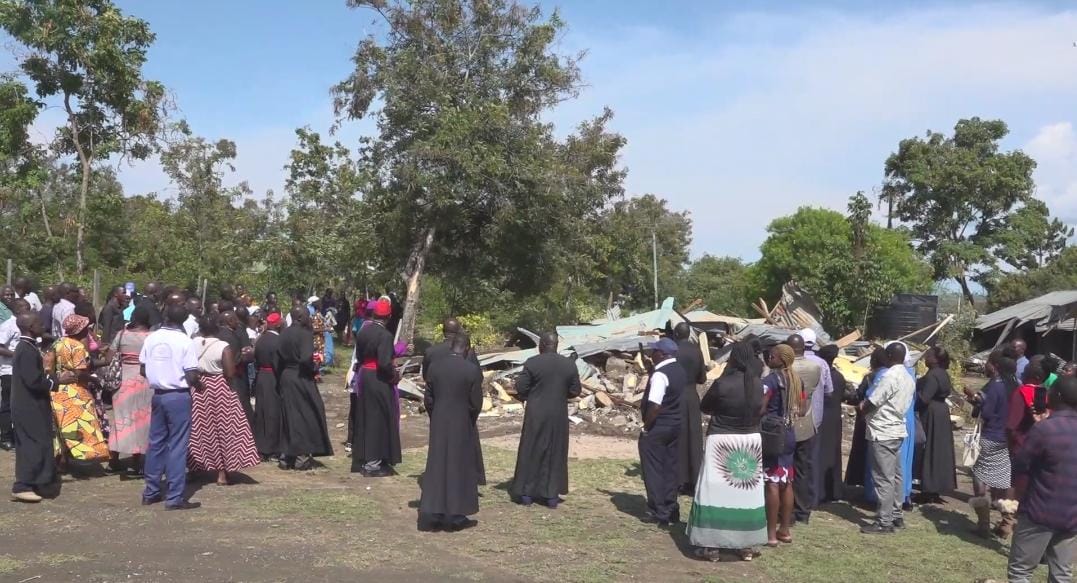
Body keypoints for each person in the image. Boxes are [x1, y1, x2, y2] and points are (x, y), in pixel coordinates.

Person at [689, 341, 767, 562]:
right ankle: (746, 546)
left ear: (733, 358)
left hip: (721, 439)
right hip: (750, 441)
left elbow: (705, 406)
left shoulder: (723, 384)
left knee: (714, 491)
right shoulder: (757, 384)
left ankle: (711, 546)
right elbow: (760, 409)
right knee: (747, 494)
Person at [1005, 376, 1077, 583]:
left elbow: (1020, 464)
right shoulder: (1048, 427)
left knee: (1020, 572)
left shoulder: (1045, 429)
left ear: (1059, 396)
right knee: (1062, 574)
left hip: (1040, 512)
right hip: (1072, 516)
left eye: (1051, 391)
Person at [418, 332, 484, 532]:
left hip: (439, 421)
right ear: (466, 349)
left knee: (437, 464)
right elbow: (476, 403)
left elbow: (428, 398)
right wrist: (468, 419)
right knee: (459, 466)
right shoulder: (471, 370)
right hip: (461, 421)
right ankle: (456, 514)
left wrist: (435, 414)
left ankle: (434, 511)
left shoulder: (436, 367)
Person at [140, 303, 201, 510]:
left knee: (156, 442)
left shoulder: (152, 337)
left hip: (158, 395)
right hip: (178, 395)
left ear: (165, 316)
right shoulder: (184, 341)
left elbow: (142, 368)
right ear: (184, 320)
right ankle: (174, 497)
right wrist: (198, 384)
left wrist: (160, 373)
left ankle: (151, 492)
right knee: (177, 445)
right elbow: (192, 373)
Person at [509, 332, 581, 508]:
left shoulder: (533, 362)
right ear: (556, 345)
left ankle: (526, 493)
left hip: (536, 412)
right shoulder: (568, 365)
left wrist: (531, 395)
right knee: (555, 452)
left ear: (541, 345)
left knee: (531, 449)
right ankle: (551, 496)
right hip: (558, 413)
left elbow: (521, 387)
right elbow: (575, 390)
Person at [11, 314, 77, 502]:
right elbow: (33, 381)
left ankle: (39, 480)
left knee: (39, 441)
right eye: (39, 323)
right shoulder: (26, 350)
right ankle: (23, 485)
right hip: (28, 405)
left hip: (32, 403)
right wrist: (57, 380)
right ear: (31, 326)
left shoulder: (30, 347)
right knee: (34, 444)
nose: (43, 326)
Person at [188, 315, 260, 486]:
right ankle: (222, 473)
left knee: (199, 428)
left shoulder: (192, 343)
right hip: (220, 388)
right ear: (216, 329)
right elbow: (229, 372)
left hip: (198, 386)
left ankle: (195, 466)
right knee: (225, 428)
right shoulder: (222, 346)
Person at [860, 342, 915, 534]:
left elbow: (874, 400)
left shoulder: (890, 376)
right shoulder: (909, 377)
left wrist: (862, 408)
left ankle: (884, 521)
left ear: (890, 355)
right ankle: (896, 515)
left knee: (883, 478)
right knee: (897, 476)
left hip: (882, 431)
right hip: (898, 429)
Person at [964, 349, 1018, 538]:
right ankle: (1007, 522)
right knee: (1004, 481)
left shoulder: (995, 386)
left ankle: (983, 524)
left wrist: (975, 401)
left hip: (990, 437)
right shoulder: (1014, 384)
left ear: (995, 366)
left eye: (987, 362)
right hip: (1006, 438)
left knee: (979, 478)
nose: (985, 365)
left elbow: (986, 413)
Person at [277, 308, 333, 470]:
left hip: (286, 376)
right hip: (301, 377)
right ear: (301, 317)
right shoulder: (305, 334)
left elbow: (278, 357)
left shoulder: (284, 333)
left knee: (289, 414)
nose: (310, 319)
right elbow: (305, 358)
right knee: (306, 414)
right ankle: (301, 456)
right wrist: (315, 366)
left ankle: (286, 456)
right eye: (308, 316)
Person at [351, 299, 401, 476]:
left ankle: (366, 458)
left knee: (366, 416)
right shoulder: (385, 335)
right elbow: (384, 363)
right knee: (379, 418)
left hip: (365, 375)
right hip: (378, 378)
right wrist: (394, 376)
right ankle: (374, 463)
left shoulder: (364, 331)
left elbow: (359, 355)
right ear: (388, 316)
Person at [51, 314, 110, 464]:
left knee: (63, 426)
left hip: (58, 390)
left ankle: (62, 461)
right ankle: (88, 455)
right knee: (82, 425)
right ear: (81, 330)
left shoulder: (59, 342)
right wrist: (94, 380)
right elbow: (80, 373)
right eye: (86, 327)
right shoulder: (77, 347)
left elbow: (49, 363)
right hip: (75, 391)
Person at [638, 338, 684, 528]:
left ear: (662, 354)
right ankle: (671, 506)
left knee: (654, 468)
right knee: (670, 467)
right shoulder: (679, 370)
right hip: (675, 425)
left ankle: (659, 510)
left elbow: (655, 405)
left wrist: (647, 427)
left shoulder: (660, 374)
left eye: (654, 351)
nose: (651, 354)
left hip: (659, 426)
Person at [762, 343, 805, 547]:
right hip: (789, 433)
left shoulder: (770, 381)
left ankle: (770, 534)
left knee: (772, 481)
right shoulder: (797, 381)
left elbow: (761, 406)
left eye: (772, 356)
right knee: (786, 481)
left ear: (781, 359)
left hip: (772, 434)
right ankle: (785, 530)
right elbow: (803, 409)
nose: (769, 359)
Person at [105, 306, 155, 476]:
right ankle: (136, 462)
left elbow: (109, 358)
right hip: (144, 381)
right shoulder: (152, 338)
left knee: (120, 420)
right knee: (141, 422)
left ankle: (113, 460)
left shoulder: (121, 334)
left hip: (123, 381)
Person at [914, 346, 957, 504]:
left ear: (935, 359)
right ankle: (935, 487)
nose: (925, 358)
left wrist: (913, 397)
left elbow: (925, 398)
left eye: (928, 356)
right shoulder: (943, 373)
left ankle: (929, 489)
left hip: (932, 413)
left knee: (930, 450)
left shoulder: (933, 375)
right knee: (939, 450)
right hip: (941, 413)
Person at [787, 334, 821, 524]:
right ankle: (803, 510)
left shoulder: (785, 369)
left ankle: (788, 509)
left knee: (784, 468)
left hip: (788, 421)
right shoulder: (815, 367)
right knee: (803, 469)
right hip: (807, 421)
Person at [845, 348, 889, 492]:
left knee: (862, 451)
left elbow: (859, 396)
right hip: (885, 422)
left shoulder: (870, 377)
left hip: (866, 419)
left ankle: (860, 481)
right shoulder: (892, 376)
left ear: (874, 361)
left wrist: (848, 395)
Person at [672, 322, 706, 495]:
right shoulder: (697, 350)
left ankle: (678, 480)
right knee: (694, 438)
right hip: (692, 396)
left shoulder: (673, 350)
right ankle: (694, 479)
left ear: (676, 334)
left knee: (677, 437)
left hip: (675, 396)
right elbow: (702, 378)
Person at [815, 344, 846, 503]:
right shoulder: (839, 377)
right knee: (833, 453)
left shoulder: (819, 374)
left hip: (821, 416)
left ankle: (818, 491)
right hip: (834, 418)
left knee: (819, 453)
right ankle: (833, 490)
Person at [0, 299, 32, 450]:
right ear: (16, 310)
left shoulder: (28, 324)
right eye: (25, 308)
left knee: (23, 404)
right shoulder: (8, 326)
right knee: (8, 404)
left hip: (25, 371)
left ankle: (21, 435)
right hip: (9, 371)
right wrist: (18, 355)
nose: (28, 310)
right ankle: (6, 437)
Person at [253, 312, 285, 460]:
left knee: (261, 411)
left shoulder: (260, 339)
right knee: (273, 412)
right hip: (273, 377)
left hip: (261, 376)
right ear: (278, 324)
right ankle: (271, 448)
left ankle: (260, 445)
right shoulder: (278, 341)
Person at [219, 310, 255, 427]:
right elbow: (235, 360)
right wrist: (247, 355)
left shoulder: (219, 333)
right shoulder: (230, 337)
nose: (238, 322)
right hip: (235, 378)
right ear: (230, 321)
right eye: (235, 319)